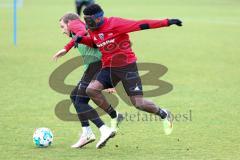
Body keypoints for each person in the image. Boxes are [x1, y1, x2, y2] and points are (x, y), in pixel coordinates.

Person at [74, 4, 183, 142]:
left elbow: (142, 24)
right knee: (91, 90)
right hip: (109, 68)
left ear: (98, 18)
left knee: (139, 103)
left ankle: (164, 113)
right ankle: (115, 116)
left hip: (127, 67)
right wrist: (81, 39)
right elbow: (96, 43)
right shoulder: (93, 29)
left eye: (90, 21)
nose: (88, 24)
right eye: (86, 21)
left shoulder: (115, 23)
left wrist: (167, 22)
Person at [52, 13, 123, 149]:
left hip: (97, 65)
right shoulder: (76, 33)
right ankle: (88, 132)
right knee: (75, 96)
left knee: (80, 101)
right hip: (94, 66)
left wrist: (66, 48)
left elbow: (82, 31)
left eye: (62, 26)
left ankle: (103, 129)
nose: (62, 31)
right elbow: (82, 36)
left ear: (70, 23)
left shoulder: (75, 25)